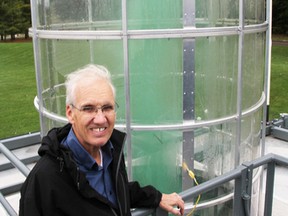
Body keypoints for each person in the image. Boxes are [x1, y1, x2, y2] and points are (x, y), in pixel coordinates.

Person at [19, 64, 184, 216]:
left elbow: (114, 193)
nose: (100, 119)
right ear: (70, 113)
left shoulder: (110, 150)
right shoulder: (44, 180)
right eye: (88, 108)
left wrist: (156, 197)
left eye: (107, 108)